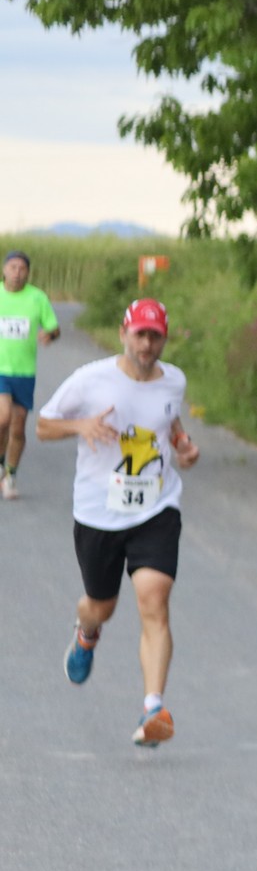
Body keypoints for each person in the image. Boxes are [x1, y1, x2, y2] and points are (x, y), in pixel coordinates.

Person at [37, 298, 199, 747]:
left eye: (155, 336)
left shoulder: (174, 381)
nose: (147, 344)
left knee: (154, 599)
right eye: (139, 334)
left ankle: (153, 708)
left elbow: (169, 420)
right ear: (123, 334)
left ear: (164, 339)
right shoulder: (90, 379)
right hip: (98, 513)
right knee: (99, 605)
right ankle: (86, 634)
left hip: (156, 507)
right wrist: (81, 426)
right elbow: (44, 426)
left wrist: (183, 444)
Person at [0, 248, 63, 500]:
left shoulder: (37, 298)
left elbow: (54, 328)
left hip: (25, 373)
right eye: (12, 267)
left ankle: (10, 475)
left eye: (22, 269)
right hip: (0, 370)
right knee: (2, 418)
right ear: (4, 270)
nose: (17, 273)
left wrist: (50, 335)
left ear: (27, 273)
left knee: (17, 428)